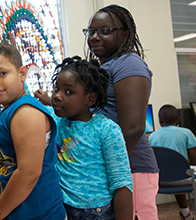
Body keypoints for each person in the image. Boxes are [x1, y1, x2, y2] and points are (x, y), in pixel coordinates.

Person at [83, 5, 159, 220]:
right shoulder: (103, 66)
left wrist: (106, 167)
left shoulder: (129, 64)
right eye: (90, 31)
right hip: (112, 168)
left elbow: (134, 128)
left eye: (104, 31)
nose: (95, 37)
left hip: (131, 168)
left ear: (125, 33)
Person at [0, 43, 66, 220]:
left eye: (3, 73)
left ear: (22, 73)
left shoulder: (26, 112)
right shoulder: (11, 110)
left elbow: (29, 172)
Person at [51, 56, 132, 220]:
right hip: (62, 208)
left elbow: (121, 182)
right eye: (56, 89)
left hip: (97, 213)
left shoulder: (106, 129)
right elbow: (29, 102)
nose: (58, 96)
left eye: (68, 92)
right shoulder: (54, 120)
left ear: (90, 98)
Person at [149, 104, 196, 220]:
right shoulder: (186, 133)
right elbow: (194, 158)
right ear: (178, 119)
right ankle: (186, 213)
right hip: (183, 179)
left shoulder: (152, 137)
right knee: (182, 173)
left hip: (160, 180)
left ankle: (185, 213)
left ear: (160, 120)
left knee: (174, 172)